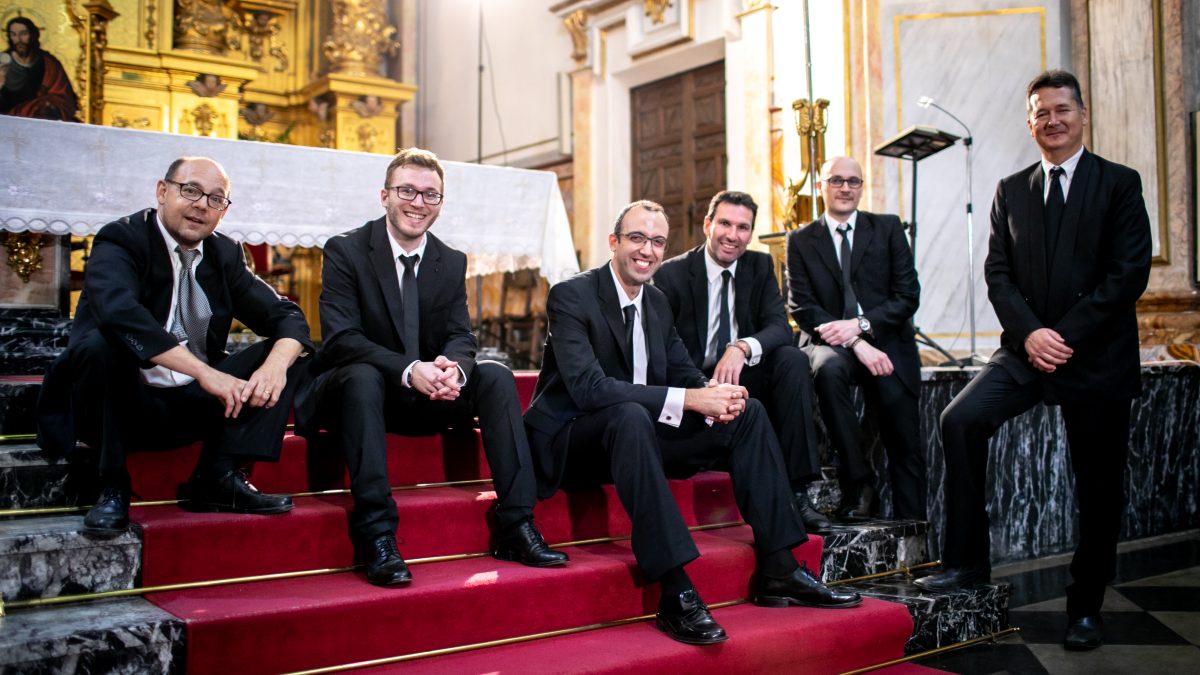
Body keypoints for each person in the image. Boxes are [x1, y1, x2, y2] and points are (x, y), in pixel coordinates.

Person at [524, 200, 861, 646]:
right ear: (614, 242)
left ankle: (780, 567)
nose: (647, 250)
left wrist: (714, 395)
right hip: (575, 441)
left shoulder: (657, 302)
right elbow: (590, 390)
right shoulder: (572, 295)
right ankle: (675, 589)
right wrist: (690, 399)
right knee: (628, 415)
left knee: (748, 412)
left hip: (638, 438)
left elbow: (683, 371)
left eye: (657, 242)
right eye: (637, 238)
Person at [914, 70, 1152, 653]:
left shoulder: (1119, 183)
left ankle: (1085, 607)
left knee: (1098, 486)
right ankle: (967, 562)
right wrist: (1031, 335)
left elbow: (1128, 274)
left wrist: (1061, 336)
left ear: (1082, 115)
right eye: (1041, 112)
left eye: (1062, 109)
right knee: (959, 420)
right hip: (1025, 350)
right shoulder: (1010, 189)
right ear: (1029, 123)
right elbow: (998, 274)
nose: (1053, 120)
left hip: (1095, 356)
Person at [295, 148, 567, 588]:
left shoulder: (450, 259)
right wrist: (409, 369)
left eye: (430, 195)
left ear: (440, 202)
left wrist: (452, 369)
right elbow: (342, 338)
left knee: (495, 375)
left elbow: (461, 334)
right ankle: (377, 535)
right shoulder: (347, 250)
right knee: (362, 376)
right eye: (407, 191)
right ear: (385, 195)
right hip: (358, 393)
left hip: (423, 394)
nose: (418, 203)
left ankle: (516, 524)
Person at [36, 157, 312, 537]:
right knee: (103, 344)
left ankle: (218, 476)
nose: (201, 205)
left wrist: (274, 366)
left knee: (289, 352)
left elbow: (286, 316)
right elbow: (119, 314)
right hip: (123, 400)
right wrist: (205, 372)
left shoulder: (225, 254)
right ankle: (111, 484)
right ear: (162, 191)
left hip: (192, 402)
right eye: (191, 190)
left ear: (223, 211)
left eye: (216, 199)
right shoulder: (122, 238)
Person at [654, 190, 829, 531]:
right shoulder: (672, 274)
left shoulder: (759, 266)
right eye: (725, 224)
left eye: (743, 227)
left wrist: (741, 348)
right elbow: (662, 348)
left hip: (742, 376)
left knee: (792, 359)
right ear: (708, 225)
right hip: (693, 382)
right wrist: (703, 388)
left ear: (750, 233)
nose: (733, 235)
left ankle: (798, 492)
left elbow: (780, 327)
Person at [785, 157, 926, 523]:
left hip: (888, 340)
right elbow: (802, 306)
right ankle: (858, 483)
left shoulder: (888, 228)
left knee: (905, 443)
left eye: (853, 181)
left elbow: (907, 296)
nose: (845, 188)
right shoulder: (800, 240)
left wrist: (862, 325)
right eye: (836, 180)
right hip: (830, 343)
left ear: (862, 187)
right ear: (821, 186)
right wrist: (854, 340)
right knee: (827, 370)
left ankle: (917, 531)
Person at [0, 17, 79, 120]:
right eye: (13, 35)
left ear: (33, 35)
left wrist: (47, 105)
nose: (18, 39)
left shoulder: (49, 63)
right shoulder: (2, 62)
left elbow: (63, 99)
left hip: (41, 120)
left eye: (23, 34)